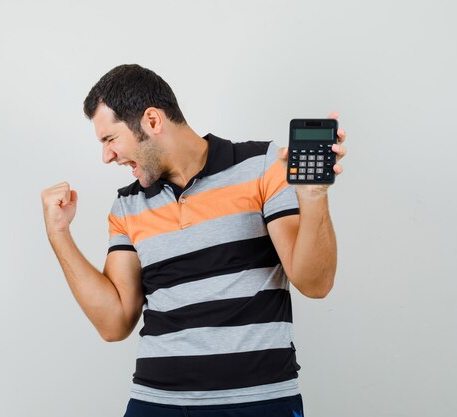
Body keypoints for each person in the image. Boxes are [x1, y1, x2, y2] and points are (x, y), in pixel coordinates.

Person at [41, 64, 347, 417]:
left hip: (259, 402)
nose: (107, 156)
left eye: (110, 139)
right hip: (156, 404)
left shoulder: (261, 165)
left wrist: (312, 198)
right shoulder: (127, 205)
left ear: (152, 121)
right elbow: (114, 325)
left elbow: (316, 283)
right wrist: (59, 234)